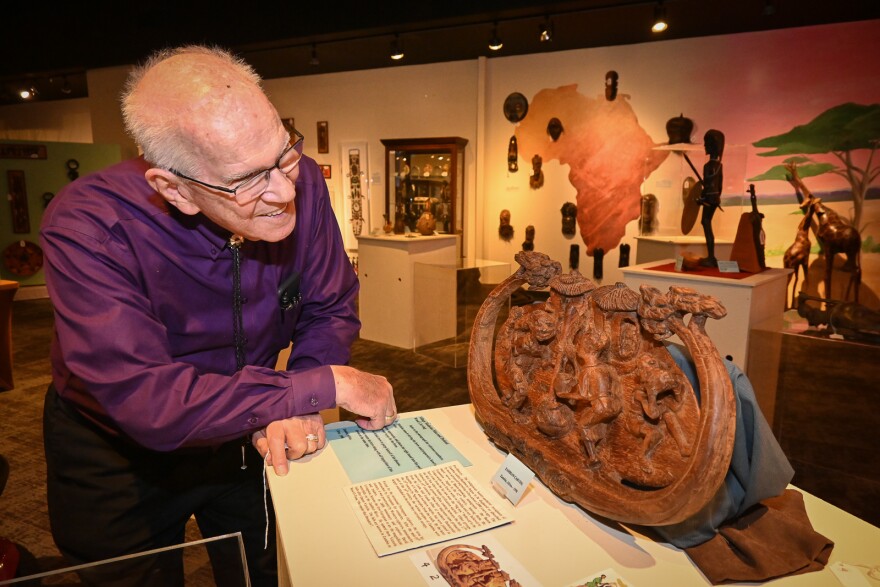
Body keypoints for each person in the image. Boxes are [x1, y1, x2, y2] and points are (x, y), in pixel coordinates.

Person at [39, 45, 396, 586]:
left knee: (265, 570)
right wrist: (321, 385)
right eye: (247, 180)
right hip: (116, 456)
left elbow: (328, 303)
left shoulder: (300, 184)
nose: (284, 192)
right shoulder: (89, 226)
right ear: (174, 189)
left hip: (246, 424)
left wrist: (297, 392)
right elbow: (147, 400)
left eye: (285, 153)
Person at [698, 129, 725, 267]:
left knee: (706, 223)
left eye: (706, 143)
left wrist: (704, 198)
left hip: (711, 199)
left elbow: (710, 185)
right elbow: (718, 187)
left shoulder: (709, 166)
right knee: (706, 223)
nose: (704, 146)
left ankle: (711, 257)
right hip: (714, 199)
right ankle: (711, 256)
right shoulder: (719, 165)